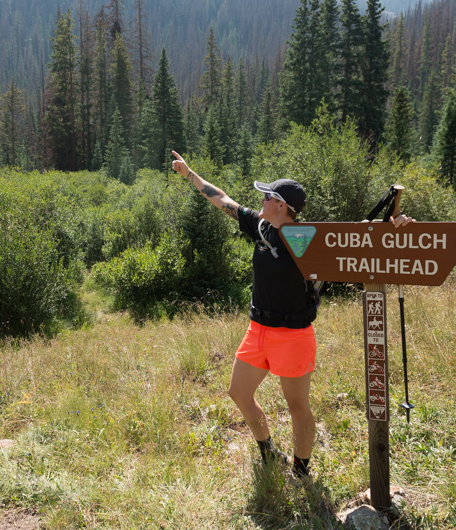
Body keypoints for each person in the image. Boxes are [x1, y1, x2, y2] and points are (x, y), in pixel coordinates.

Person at [170, 150, 414, 478]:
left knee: (297, 406)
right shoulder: (261, 227)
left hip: (294, 335)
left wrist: (395, 227)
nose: (261, 199)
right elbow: (223, 200)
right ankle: (268, 450)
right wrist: (189, 174)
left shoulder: (310, 239)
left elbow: (365, 240)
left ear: (281, 205)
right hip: (258, 329)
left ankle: (301, 469)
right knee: (239, 393)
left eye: (267, 195)